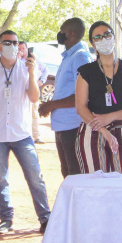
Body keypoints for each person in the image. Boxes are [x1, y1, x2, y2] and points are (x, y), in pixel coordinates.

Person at [74, 21, 122, 243]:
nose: (104, 39)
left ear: (114, 36)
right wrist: (102, 127)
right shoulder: (85, 72)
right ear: (92, 43)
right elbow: (81, 107)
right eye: (98, 37)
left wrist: (111, 118)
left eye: (107, 34)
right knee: (97, 193)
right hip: (92, 133)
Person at [0, 30, 51, 235]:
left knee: (35, 177)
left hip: (22, 134)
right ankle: (6, 219)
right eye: (7, 42)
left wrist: (32, 72)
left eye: (15, 42)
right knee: (0, 179)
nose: (12, 46)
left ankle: (45, 218)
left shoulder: (26, 69)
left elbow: (34, 98)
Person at [39, 18, 93, 177]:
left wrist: (52, 105)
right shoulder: (69, 56)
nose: (59, 34)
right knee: (67, 171)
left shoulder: (80, 57)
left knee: (75, 173)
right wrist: (51, 104)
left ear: (71, 34)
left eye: (62, 31)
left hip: (74, 126)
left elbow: (83, 94)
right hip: (63, 126)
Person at [19, 41, 49, 143]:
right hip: (21, 90)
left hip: (33, 88)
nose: (21, 50)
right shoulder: (16, 60)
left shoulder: (34, 59)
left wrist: (42, 81)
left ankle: (36, 136)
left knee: (34, 113)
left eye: (23, 48)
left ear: (27, 49)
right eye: (19, 49)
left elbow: (45, 70)